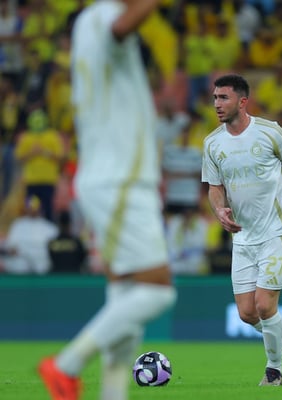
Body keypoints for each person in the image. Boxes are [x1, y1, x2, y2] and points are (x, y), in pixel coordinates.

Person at [38, 2, 177, 400]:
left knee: (126, 295)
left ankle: (112, 394)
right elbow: (121, 27)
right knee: (158, 291)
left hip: (111, 176)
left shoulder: (89, 23)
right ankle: (66, 365)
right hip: (121, 178)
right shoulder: (104, 17)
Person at [202, 74, 282, 386]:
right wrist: (219, 209)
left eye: (223, 98)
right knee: (247, 313)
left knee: (265, 305)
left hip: (277, 230)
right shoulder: (212, 143)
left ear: (242, 101)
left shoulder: (270, 132)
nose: (217, 104)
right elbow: (214, 188)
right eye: (215, 98)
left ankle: (273, 371)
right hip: (243, 236)